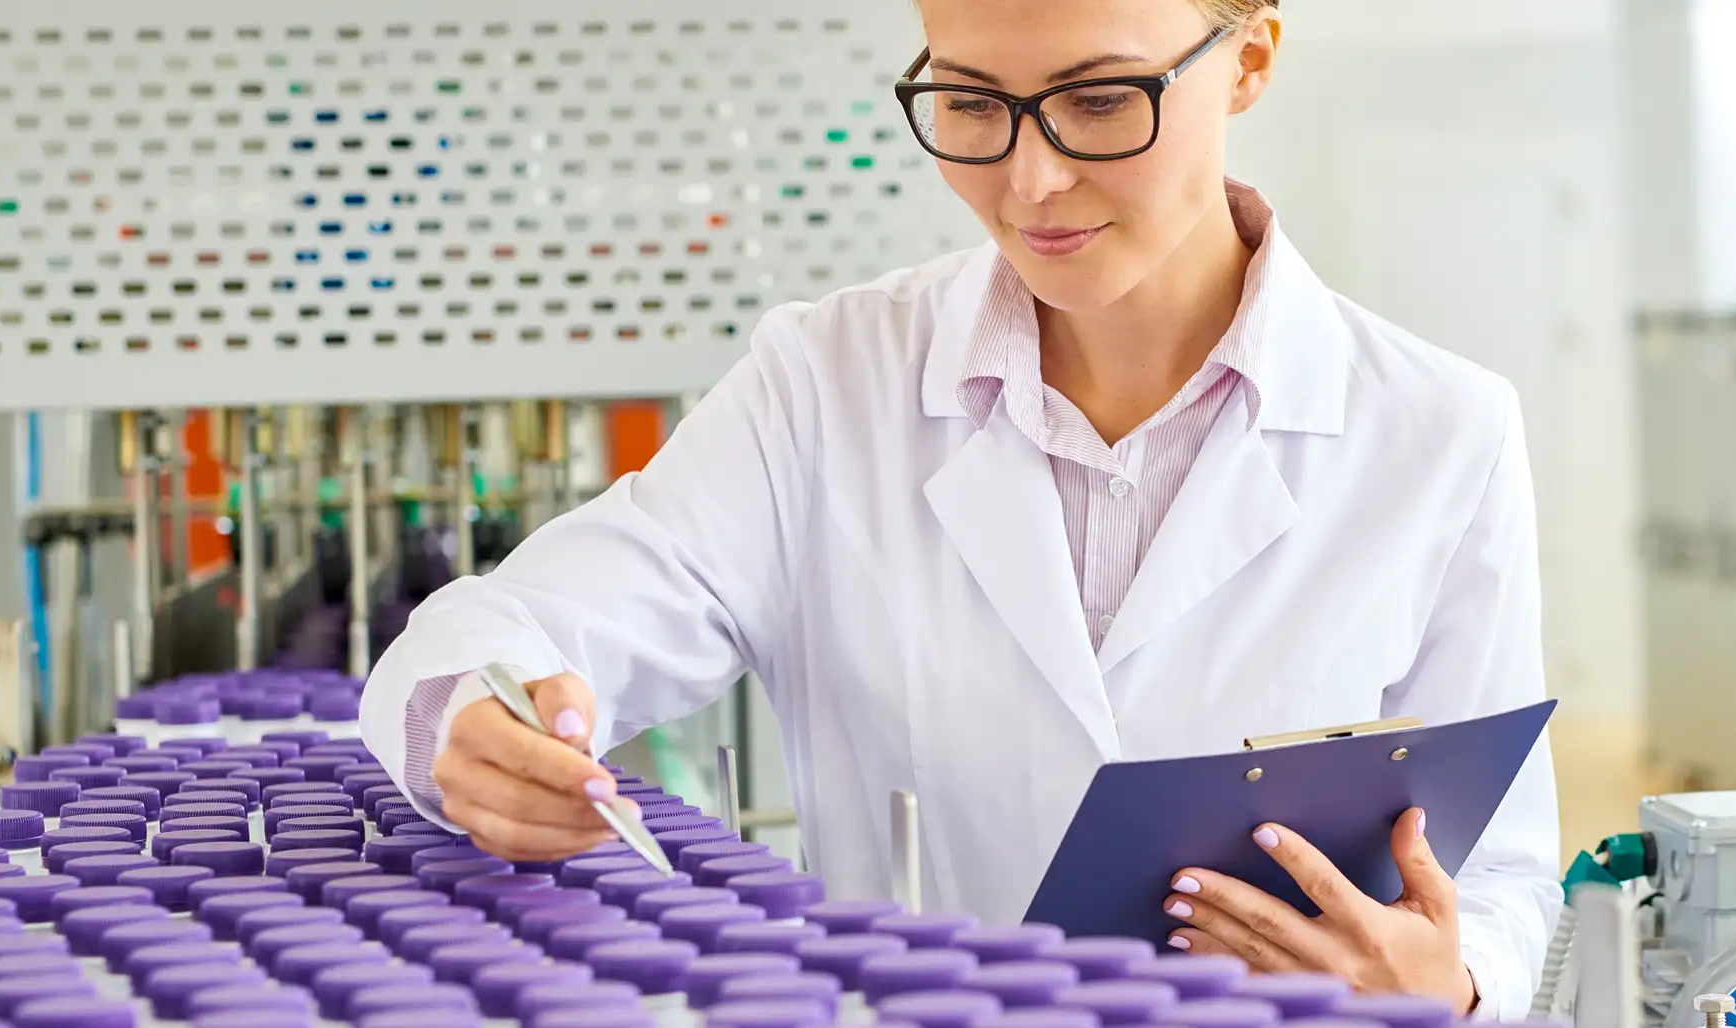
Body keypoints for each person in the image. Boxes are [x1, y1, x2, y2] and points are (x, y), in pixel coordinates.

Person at [361, 0, 1559, 1016]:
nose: (1029, 179)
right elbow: (520, 628)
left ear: (1247, 61)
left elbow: (1500, 873)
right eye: (974, 105)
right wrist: (475, 721)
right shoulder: (824, 384)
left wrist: (1446, 983)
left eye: (1099, 102)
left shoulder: (1439, 431)